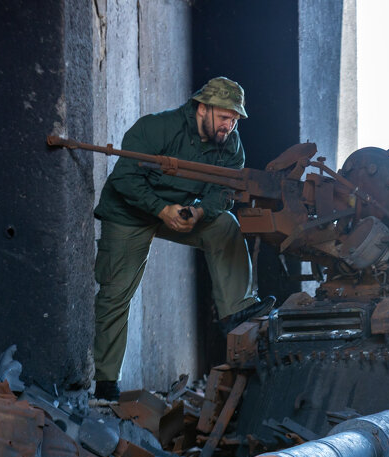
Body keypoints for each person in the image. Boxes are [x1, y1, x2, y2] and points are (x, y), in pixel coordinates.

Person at [90, 77, 273, 401]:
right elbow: (124, 180)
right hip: (130, 212)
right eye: (224, 116)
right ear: (202, 108)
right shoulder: (157, 128)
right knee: (115, 294)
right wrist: (161, 209)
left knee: (225, 224)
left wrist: (199, 213)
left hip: (181, 212)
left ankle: (235, 311)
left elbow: (223, 191)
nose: (229, 125)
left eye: (234, 119)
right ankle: (106, 384)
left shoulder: (230, 144)